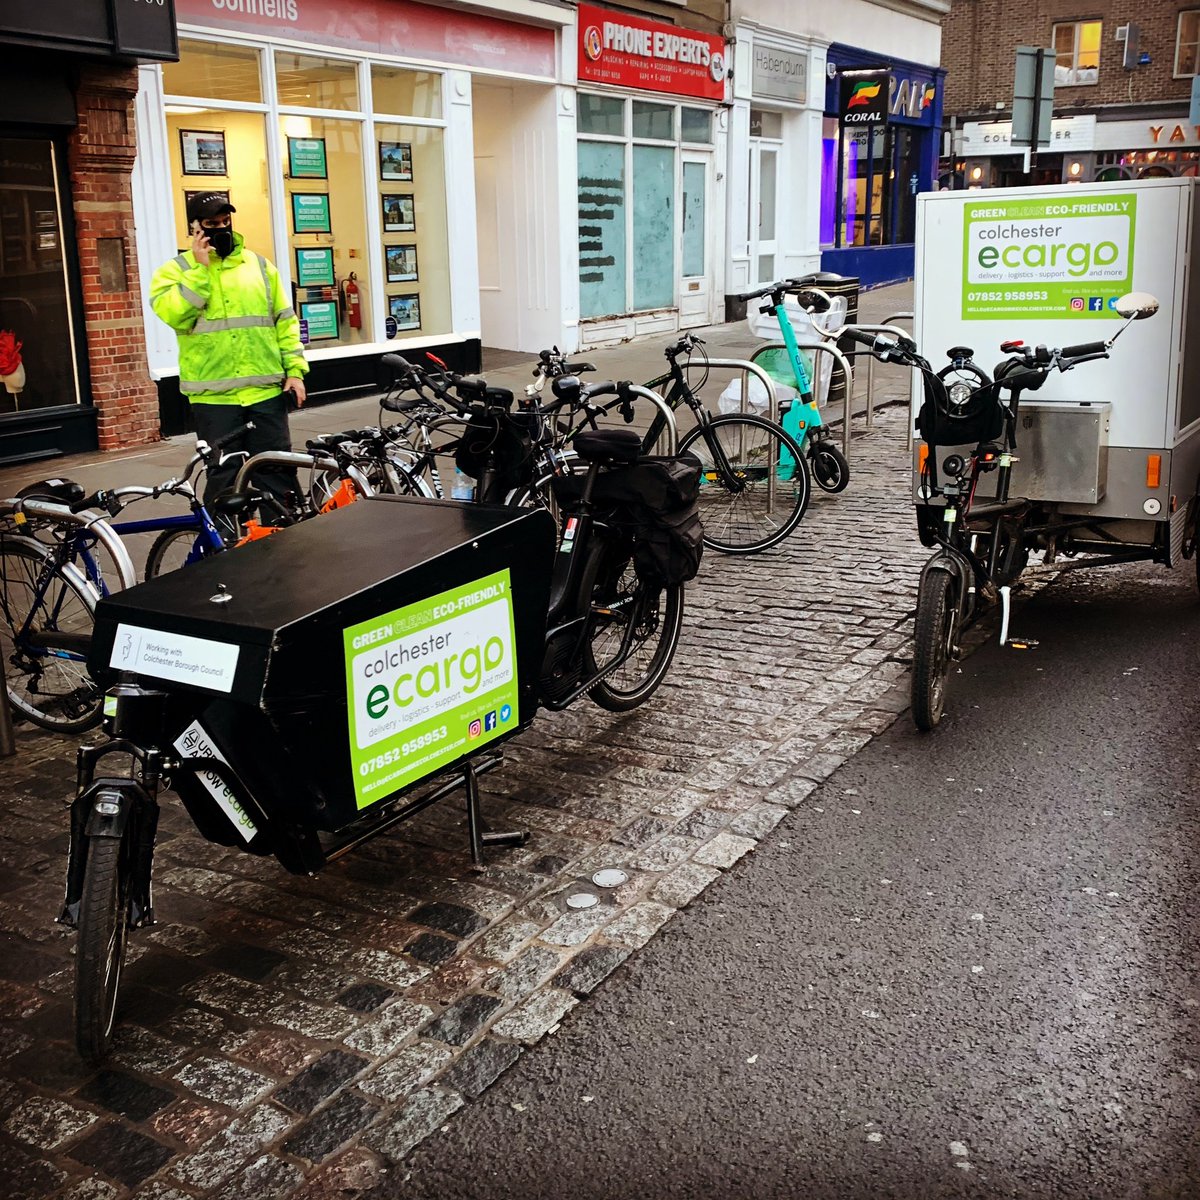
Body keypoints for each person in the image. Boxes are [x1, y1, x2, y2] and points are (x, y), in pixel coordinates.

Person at [149, 191, 309, 522]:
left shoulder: (260, 266)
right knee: (223, 478)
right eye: (211, 224)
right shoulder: (173, 272)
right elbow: (175, 315)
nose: (221, 228)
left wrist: (295, 371)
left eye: (225, 222)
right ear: (194, 228)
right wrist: (201, 271)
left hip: (266, 393)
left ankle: (286, 546)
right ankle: (223, 553)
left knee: (277, 473)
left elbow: (285, 321)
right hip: (215, 400)